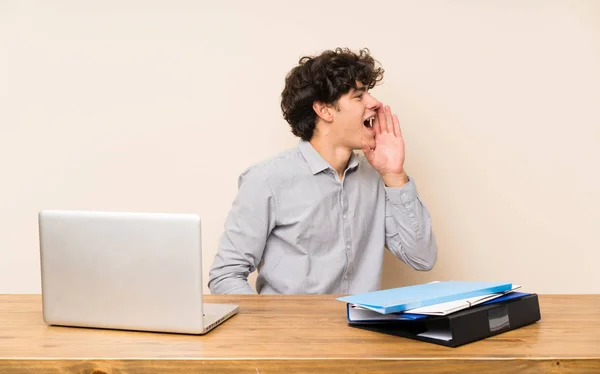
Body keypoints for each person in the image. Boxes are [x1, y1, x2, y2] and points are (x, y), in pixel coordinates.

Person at [208, 47, 437, 295]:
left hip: (361, 331)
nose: (374, 103)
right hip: (291, 332)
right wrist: (271, 329)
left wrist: (394, 175)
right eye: (359, 96)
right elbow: (226, 275)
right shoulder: (267, 180)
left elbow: (422, 259)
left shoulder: (375, 177)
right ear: (325, 110)